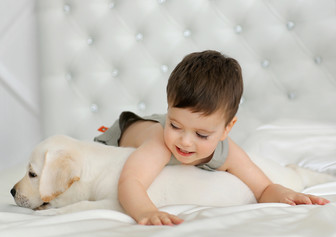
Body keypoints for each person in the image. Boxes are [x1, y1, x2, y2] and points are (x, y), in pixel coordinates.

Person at [94, 50, 329, 226]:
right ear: (169, 110)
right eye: (175, 125)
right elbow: (130, 182)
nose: (185, 141)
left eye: (201, 134)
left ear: (227, 129)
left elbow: (264, 187)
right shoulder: (160, 142)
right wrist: (146, 212)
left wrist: (286, 195)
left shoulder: (227, 152)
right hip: (125, 131)